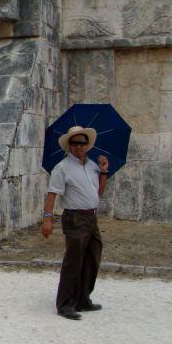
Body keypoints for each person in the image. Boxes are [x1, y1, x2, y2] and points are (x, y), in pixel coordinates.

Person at [41, 125, 109, 320]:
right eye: (75, 143)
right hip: (75, 217)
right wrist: (47, 220)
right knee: (74, 261)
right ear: (69, 145)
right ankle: (65, 304)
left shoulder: (92, 166)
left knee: (92, 258)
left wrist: (104, 171)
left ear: (88, 144)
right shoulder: (62, 168)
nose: (79, 146)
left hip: (91, 217)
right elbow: (52, 195)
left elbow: (100, 191)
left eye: (83, 142)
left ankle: (82, 298)